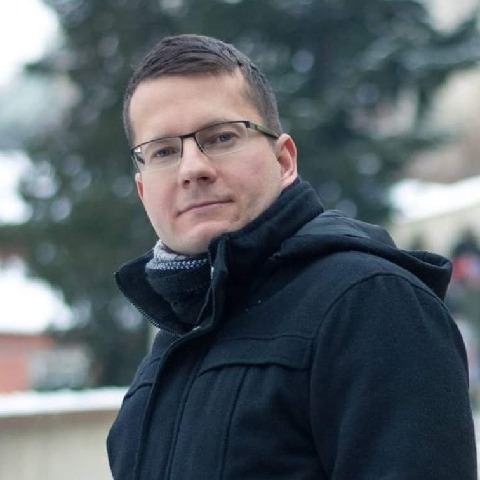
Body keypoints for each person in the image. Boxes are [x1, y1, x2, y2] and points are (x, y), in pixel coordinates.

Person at [107, 34, 477, 479]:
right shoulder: (166, 356)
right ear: (143, 190)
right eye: (164, 151)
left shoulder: (371, 304)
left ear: (284, 161)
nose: (192, 169)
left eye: (221, 137)